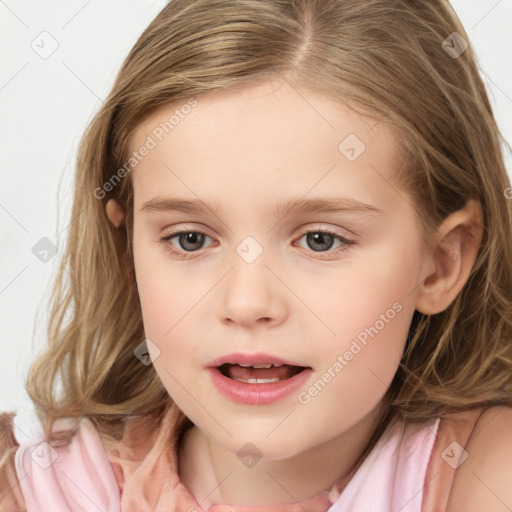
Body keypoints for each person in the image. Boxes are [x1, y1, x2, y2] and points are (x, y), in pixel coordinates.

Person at [2, 0, 512, 510]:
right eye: (190, 239)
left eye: (320, 240)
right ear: (125, 251)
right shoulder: (36, 489)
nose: (247, 303)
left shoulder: (482, 475)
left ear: (442, 263)